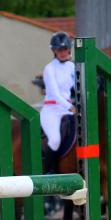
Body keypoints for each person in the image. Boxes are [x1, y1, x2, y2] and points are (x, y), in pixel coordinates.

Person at [40, 31, 75, 173]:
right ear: (54, 50)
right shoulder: (49, 68)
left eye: (65, 48)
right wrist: (71, 106)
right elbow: (54, 93)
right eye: (59, 49)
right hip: (52, 110)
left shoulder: (72, 67)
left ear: (69, 49)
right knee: (54, 140)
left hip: (68, 108)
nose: (62, 52)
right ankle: (49, 173)